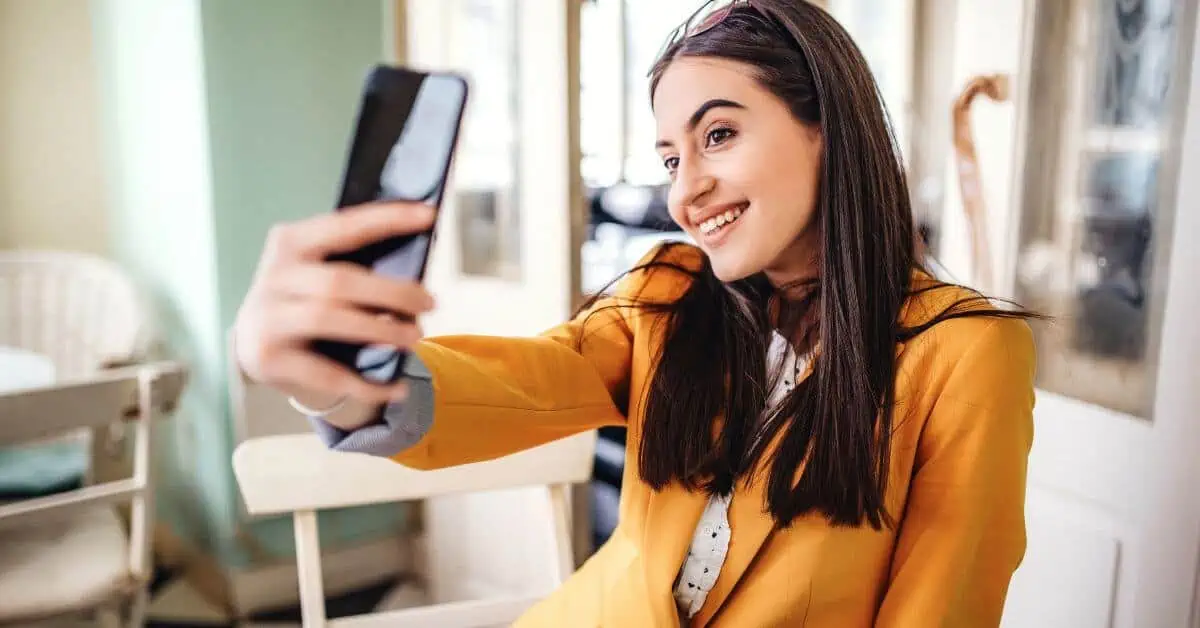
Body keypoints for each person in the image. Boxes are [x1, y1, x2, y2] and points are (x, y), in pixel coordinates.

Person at [232, 1, 1039, 625]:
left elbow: (944, 608)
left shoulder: (964, 354)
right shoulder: (668, 293)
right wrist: (342, 376)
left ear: (826, 127)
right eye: (669, 159)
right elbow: (523, 381)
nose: (683, 193)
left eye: (718, 135)